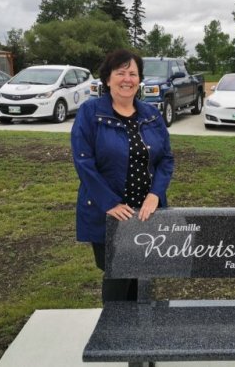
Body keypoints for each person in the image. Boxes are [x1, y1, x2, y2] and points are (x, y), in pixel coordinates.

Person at [72, 49, 174, 302]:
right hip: (110, 212)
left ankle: (139, 325)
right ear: (108, 79)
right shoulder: (90, 112)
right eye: (120, 73)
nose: (127, 79)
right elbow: (84, 162)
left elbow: (166, 159)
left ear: (139, 80)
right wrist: (110, 203)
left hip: (146, 212)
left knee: (143, 275)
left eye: (133, 73)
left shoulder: (151, 114)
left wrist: (155, 194)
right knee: (117, 274)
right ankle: (113, 326)